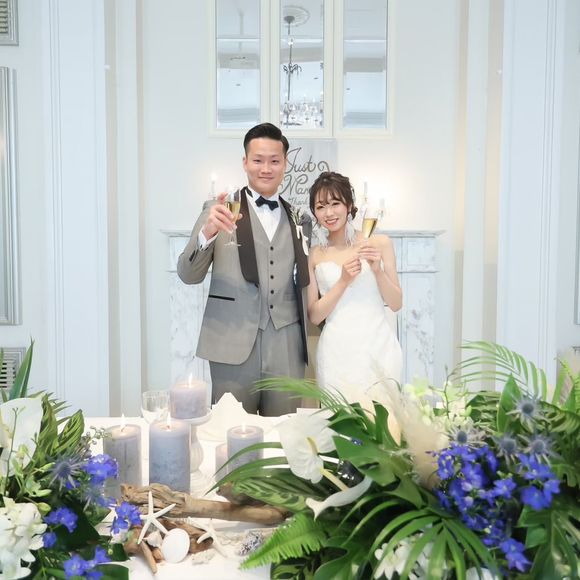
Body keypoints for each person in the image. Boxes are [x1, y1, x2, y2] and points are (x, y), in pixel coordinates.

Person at [177, 123, 310, 416]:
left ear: (285, 164)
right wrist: (207, 233)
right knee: (230, 433)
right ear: (245, 162)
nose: (266, 168)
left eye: (274, 161)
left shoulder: (299, 218)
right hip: (229, 342)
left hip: (286, 347)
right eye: (258, 160)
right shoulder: (218, 210)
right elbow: (188, 275)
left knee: (284, 436)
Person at [307, 171, 402, 408]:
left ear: (349, 205)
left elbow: (396, 303)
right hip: (336, 351)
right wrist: (342, 281)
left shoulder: (380, 243)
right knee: (339, 421)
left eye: (335, 203)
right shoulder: (315, 254)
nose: (329, 213)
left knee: (383, 420)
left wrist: (377, 270)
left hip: (377, 346)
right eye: (321, 207)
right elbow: (315, 315)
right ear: (315, 213)